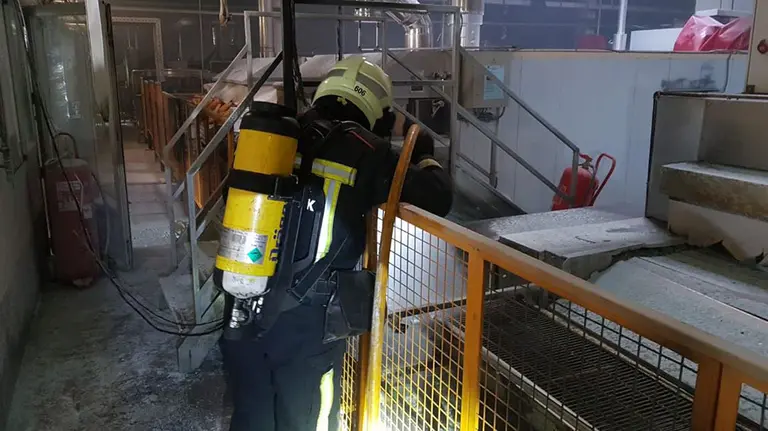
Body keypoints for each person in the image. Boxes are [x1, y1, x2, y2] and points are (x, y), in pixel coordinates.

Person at [220, 56, 453, 431]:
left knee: (252, 411)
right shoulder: (368, 150)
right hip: (308, 322)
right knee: (309, 416)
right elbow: (438, 198)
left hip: (244, 301)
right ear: (375, 110)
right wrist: (424, 153)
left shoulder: (284, 134)